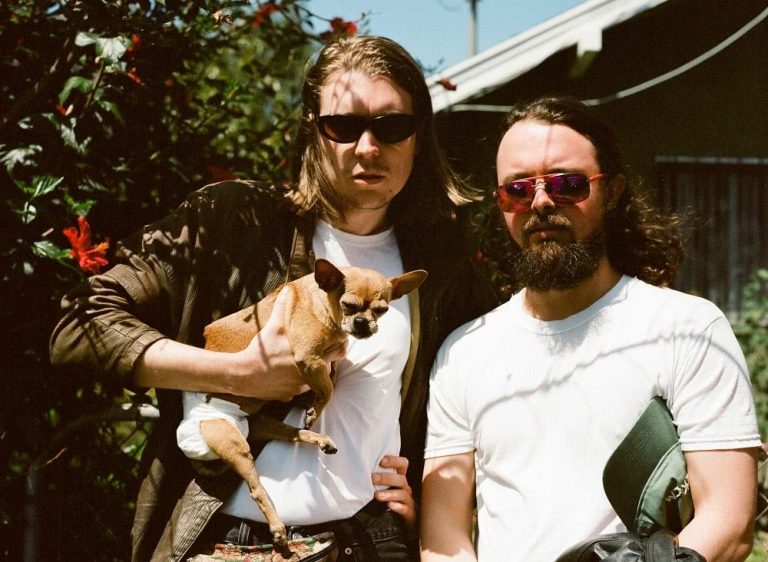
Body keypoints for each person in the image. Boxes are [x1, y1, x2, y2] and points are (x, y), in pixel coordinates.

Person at [49, 35, 497, 561]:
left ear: (420, 136)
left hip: (370, 541)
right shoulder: (235, 221)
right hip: (231, 541)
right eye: (344, 125)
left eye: (392, 126)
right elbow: (79, 329)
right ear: (313, 129)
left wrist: (426, 497)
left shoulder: (438, 262)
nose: (369, 147)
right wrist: (236, 373)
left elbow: (468, 401)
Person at [420, 95, 763, 562]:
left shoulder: (688, 329)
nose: (540, 202)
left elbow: (730, 520)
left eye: (567, 184)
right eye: (517, 190)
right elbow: (443, 537)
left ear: (614, 190)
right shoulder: (463, 352)